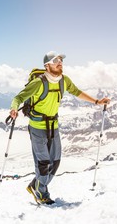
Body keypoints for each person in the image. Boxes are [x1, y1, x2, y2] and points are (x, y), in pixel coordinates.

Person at [10, 50, 110, 205]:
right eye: (56, 60)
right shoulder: (39, 82)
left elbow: (76, 92)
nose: (60, 63)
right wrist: (14, 108)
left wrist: (97, 102)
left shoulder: (64, 80)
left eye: (61, 60)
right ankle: (42, 193)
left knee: (55, 162)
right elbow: (19, 97)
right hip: (37, 127)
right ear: (47, 65)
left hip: (53, 126)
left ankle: (35, 185)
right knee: (43, 163)